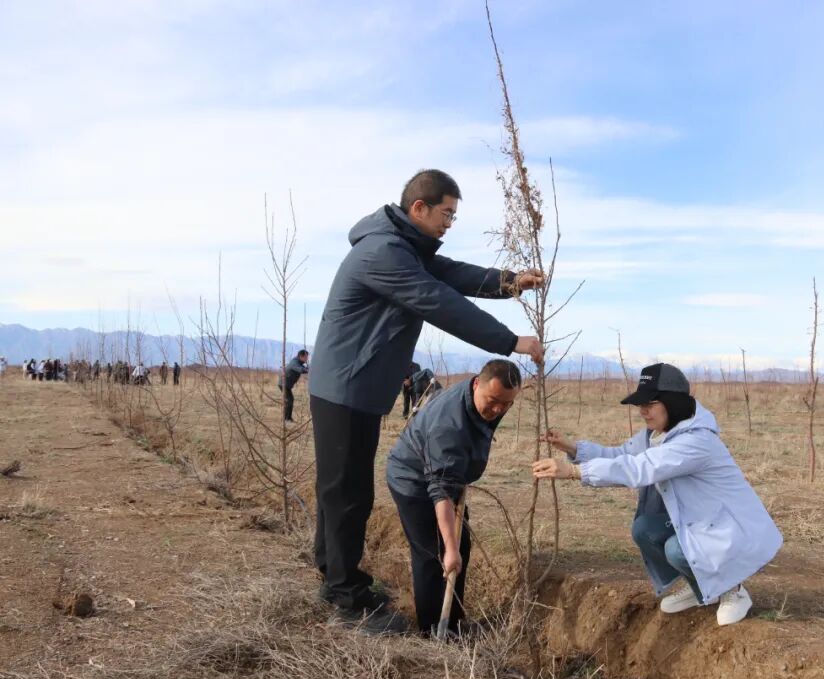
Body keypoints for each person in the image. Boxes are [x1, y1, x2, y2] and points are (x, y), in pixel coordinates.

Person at [307, 169, 545, 634]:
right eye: (446, 214)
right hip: (344, 388)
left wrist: (510, 282)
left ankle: (335, 575)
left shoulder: (403, 247)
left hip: (356, 388)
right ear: (419, 208)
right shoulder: (383, 252)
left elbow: (451, 274)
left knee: (342, 489)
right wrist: (510, 341)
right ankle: (345, 596)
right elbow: (438, 300)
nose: (449, 224)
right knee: (347, 493)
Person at [533, 363, 783, 627]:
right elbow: (621, 455)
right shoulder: (658, 435)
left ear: (672, 403)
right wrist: (572, 448)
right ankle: (700, 586)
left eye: (650, 404)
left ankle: (733, 590)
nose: (643, 411)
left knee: (676, 550)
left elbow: (640, 468)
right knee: (645, 529)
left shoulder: (696, 441)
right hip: (701, 522)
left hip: (729, 528)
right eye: (641, 405)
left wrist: (574, 471)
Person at [386, 359, 521, 636]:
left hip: (447, 474)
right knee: (433, 553)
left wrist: (455, 547)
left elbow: (449, 477)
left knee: (462, 545)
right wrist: (449, 548)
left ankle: (454, 623)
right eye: (493, 401)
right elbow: (441, 492)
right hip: (412, 479)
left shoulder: (484, 396)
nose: (499, 409)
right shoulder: (449, 427)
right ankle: (431, 630)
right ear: (477, 384)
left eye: (506, 404)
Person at [279, 350, 309, 422]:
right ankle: (287, 419)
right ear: (301, 356)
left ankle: (288, 418)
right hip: (284, 384)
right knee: (289, 400)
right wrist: (309, 370)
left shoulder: (299, 362)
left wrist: (309, 368)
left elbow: (304, 368)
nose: (307, 359)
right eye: (305, 357)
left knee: (289, 400)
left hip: (286, 384)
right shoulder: (295, 362)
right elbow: (300, 370)